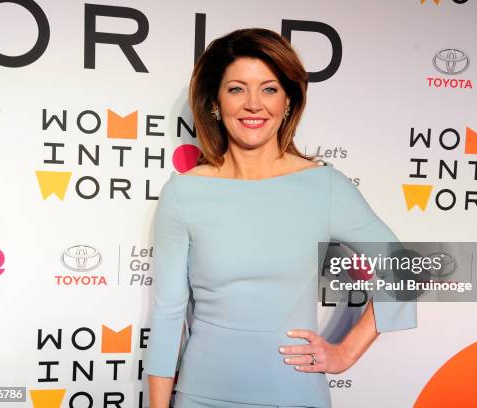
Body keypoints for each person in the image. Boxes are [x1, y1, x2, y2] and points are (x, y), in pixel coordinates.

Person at [144, 28, 416, 408]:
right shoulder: (184, 193)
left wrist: (345, 352)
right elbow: (169, 314)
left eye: (269, 89)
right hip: (201, 396)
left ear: (288, 100)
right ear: (215, 103)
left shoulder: (325, 187)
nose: (254, 104)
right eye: (237, 89)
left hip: (295, 395)